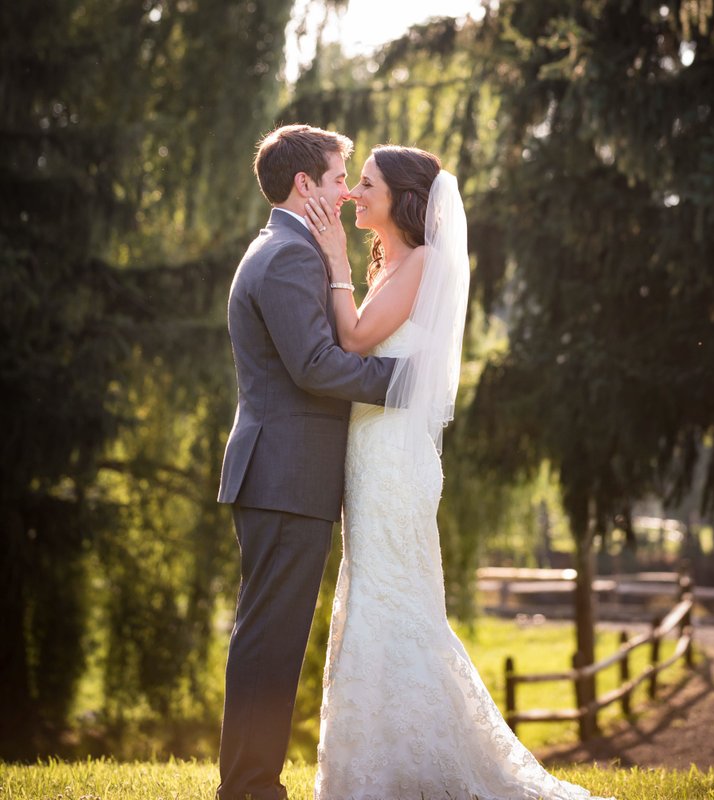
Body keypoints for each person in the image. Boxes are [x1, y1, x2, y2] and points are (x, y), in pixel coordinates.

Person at [304, 145, 615, 800]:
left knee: (391, 598)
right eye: (354, 183)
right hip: (375, 451)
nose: (356, 195)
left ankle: (397, 765)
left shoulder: (419, 262)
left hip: (392, 458)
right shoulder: (393, 260)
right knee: (380, 594)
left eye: (367, 184)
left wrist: (333, 257)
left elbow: (355, 341)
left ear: (403, 198)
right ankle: (394, 760)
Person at [216, 124, 396, 800]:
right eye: (335, 177)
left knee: (270, 635)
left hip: (283, 476)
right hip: (285, 476)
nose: (346, 190)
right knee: (270, 638)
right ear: (304, 184)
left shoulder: (287, 247)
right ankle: (251, 788)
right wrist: (403, 383)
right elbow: (316, 365)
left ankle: (248, 783)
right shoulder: (288, 257)